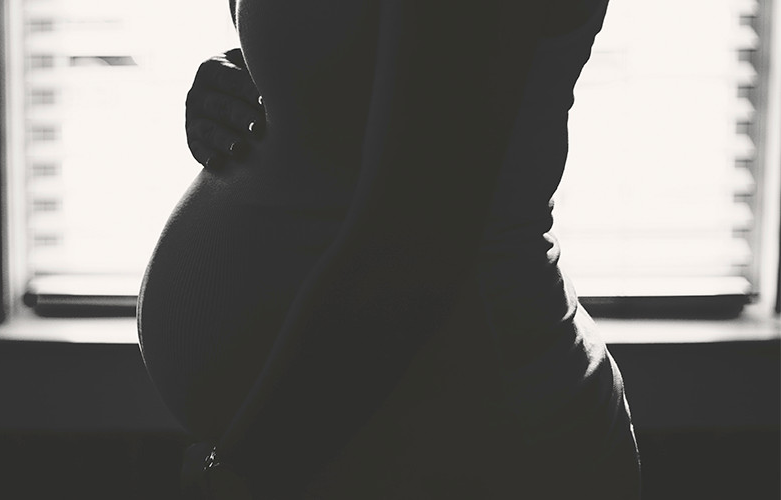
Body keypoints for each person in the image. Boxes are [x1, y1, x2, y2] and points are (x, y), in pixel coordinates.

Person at [138, 0, 641, 498]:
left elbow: (417, 244)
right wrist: (251, 83)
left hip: (475, 436)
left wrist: (246, 473)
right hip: (355, 446)